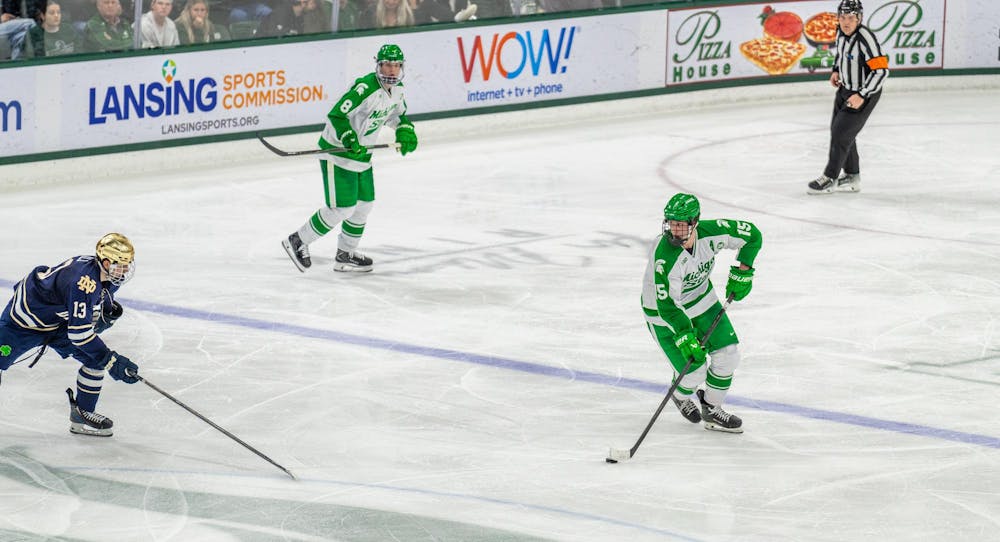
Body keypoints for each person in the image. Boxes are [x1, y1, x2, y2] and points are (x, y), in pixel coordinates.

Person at [282, 43, 418, 273]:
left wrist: (405, 129)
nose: (392, 70)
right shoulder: (364, 88)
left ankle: (345, 254)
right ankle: (297, 240)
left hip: (362, 155)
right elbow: (337, 115)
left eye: (396, 65)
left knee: (364, 205)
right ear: (378, 65)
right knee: (341, 208)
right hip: (338, 152)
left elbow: (397, 115)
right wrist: (348, 138)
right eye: (387, 65)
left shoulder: (398, 90)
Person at [641, 193, 762, 433]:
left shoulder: (712, 232)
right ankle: (679, 394)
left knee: (728, 354)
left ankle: (712, 408)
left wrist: (744, 270)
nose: (674, 230)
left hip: (701, 301)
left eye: (681, 225)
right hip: (664, 315)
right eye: (671, 224)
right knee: (694, 371)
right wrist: (685, 335)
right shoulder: (665, 257)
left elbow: (752, 235)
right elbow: (667, 307)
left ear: (695, 222)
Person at [0, 233, 141, 437]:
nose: (126, 270)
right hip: (24, 321)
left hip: (58, 321)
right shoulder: (83, 282)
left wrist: (106, 314)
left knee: (94, 360)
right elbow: (79, 334)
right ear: (106, 261)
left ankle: (82, 414)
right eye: (121, 264)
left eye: (128, 264)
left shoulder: (109, 277)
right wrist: (110, 359)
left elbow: (96, 305)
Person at [807, 0, 888, 195]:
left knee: (841, 133)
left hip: (864, 93)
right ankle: (852, 177)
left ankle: (830, 178)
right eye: (842, 17)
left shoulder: (865, 38)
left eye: (851, 18)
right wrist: (836, 70)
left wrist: (862, 94)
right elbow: (841, 55)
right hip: (845, 89)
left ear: (859, 18)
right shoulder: (840, 31)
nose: (846, 22)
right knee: (841, 132)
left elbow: (881, 71)